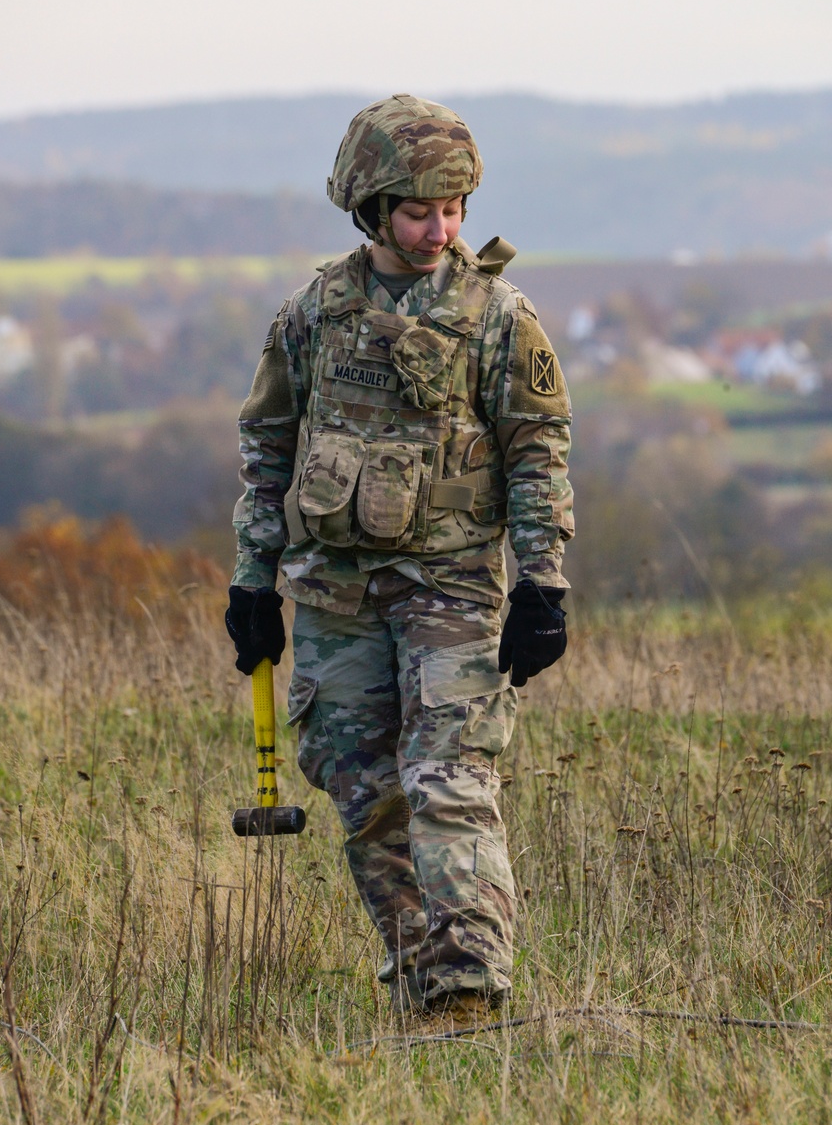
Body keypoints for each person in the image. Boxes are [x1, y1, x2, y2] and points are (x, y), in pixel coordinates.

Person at [225, 93, 574, 1022]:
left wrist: (542, 583)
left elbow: (538, 450)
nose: (440, 229)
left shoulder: (497, 315)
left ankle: (470, 984)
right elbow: (267, 449)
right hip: (334, 591)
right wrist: (251, 581)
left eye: (454, 210)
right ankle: (423, 972)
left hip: (452, 586)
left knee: (448, 778)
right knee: (362, 784)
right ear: (372, 209)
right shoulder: (313, 315)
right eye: (421, 211)